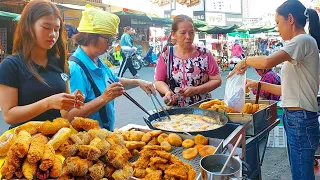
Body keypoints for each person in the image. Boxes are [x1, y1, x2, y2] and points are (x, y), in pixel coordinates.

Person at [228, 1, 320, 179]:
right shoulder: (302, 44)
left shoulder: (302, 40)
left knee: (301, 174)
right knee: (299, 171)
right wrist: (258, 84)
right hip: (296, 117)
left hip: (300, 119)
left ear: (290, 19)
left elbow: (267, 62)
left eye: (278, 22)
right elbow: (287, 90)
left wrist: (244, 61)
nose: (277, 28)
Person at [67, 5, 156, 131]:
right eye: (108, 39)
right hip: (88, 143)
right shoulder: (75, 68)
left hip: (105, 135)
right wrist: (104, 98)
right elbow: (70, 116)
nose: (110, 44)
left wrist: (138, 82)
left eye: (112, 39)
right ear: (91, 36)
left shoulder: (97, 60)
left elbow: (113, 81)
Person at [0, 0, 84, 128]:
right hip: (25, 142)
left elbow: (63, 113)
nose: (53, 34)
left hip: (56, 139)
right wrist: (48, 103)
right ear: (28, 27)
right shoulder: (11, 65)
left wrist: (70, 101)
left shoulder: (60, 62)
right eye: (46, 27)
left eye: (57, 29)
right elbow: (9, 115)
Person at [154, 15, 222, 107]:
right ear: (174, 34)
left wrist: (197, 89)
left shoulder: (205, 54)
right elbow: (158, 81)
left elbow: (217, 80)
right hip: (176, 111)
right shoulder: (166, 55)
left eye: (191, 32)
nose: (188, 36)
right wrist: (167, 92)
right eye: (183, 33)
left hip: (202, 109)